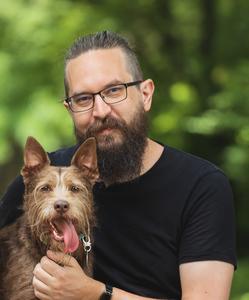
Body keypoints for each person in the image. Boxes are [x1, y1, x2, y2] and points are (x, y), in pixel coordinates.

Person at [0, 31, 236, 300]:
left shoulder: (201, 186)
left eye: (114, 90)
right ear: (70, 110)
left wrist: (98, 293)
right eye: (83, 99)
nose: (100, 111)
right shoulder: (41, 181)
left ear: (145, 94)